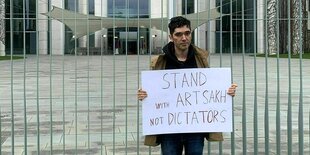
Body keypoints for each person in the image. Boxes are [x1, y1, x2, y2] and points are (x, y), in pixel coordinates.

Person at [137, 16, 237, 155]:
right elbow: (154, 93)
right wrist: (144, 95)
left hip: (195, 130)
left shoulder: (200, 59)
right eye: (179, 34)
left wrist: (227, 92)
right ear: (171, 37)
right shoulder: (161, 62)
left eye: (187, 33)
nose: (184, 38)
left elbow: (209, 90)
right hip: (169, 131)